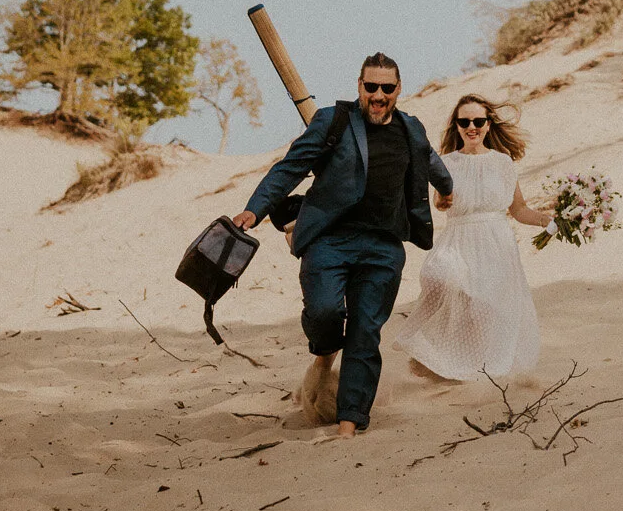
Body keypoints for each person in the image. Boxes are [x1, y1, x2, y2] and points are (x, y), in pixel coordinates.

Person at [233, 54, 455, 437]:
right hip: (330, 241)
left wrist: (447, 189)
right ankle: (322, 354)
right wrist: (253, 211)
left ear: (399, 89)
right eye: (372, 87)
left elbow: (430, 162)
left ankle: (349, 425)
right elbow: (290, 167)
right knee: (324, 312)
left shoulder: (411, 128)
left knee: (365, 333)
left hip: (384, 247)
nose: (379, 95)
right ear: (359, 86)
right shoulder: (333, 120)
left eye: (388, 88)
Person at [395, 94, 552, 381]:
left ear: (488, 125)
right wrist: (443, 201)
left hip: (496, 245)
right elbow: (440, 202)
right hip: (458, 239)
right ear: (456, 126)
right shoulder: (446, 163)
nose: (472, 127)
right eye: (464, 121)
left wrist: (549, 221)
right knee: (441, 279)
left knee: (484, 308)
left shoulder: (503, 163)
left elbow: (518, 209)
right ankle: (430, 354)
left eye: (478, 121)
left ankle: (471, 372)